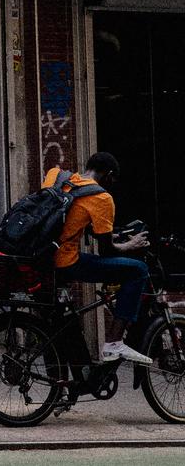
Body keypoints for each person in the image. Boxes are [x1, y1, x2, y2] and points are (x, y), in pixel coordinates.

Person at [46, 152, 153, 364]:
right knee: (138, 270)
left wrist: (111, 234)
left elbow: (69, 219)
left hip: (44, 257)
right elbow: (107, 252)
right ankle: (113, 343)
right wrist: (129, 244)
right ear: (109, 175)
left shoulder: (56, 176)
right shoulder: (102, 198)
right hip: (66, 261)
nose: (112, 185)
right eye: (113, 180)